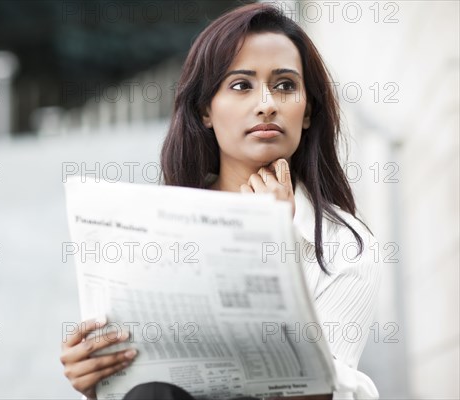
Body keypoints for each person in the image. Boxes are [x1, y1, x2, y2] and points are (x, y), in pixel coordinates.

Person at [60, 3, 381, 399]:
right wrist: (96, 375)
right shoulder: (157, 225)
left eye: (285, 85)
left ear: (308, 110)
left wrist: (271, 248)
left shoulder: (344, 245)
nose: (267, 103)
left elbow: (316, 392)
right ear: (205, 110)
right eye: (241, 85)